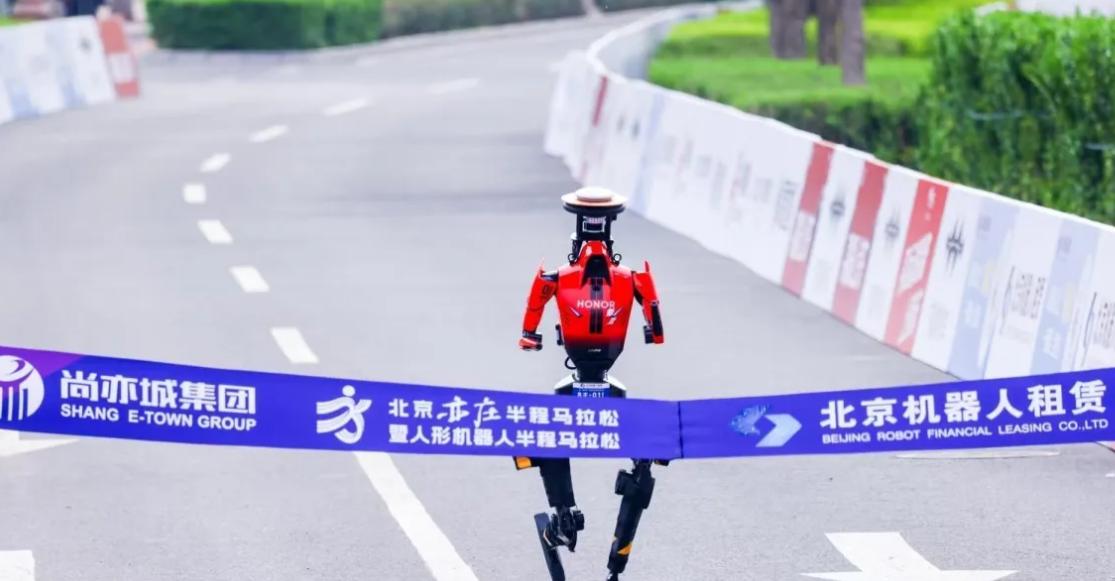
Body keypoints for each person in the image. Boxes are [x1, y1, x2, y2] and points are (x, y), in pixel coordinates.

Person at [515, 187, 665, 580]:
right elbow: (654, 321)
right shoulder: (632, 279)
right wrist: (652, 330)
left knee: (545, 440)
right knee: (645, 459)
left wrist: (530, 337)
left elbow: (532, 315)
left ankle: (563, 517)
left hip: (571, 391)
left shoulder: (556, 278)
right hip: (614, 394)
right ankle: (616, 562)